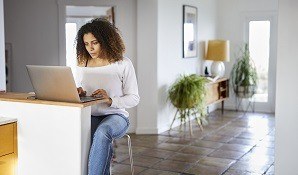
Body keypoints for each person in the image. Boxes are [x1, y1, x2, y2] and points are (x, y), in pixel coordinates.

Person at [75, 18, 140, 175]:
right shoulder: (82, 64)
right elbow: (80, 90)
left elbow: (134, 98)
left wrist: (110, 100)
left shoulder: (122, 63)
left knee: (103, 131)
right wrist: (79, 93)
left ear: (105, 40)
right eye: (86, 43)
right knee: (78, 137)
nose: (90, 48)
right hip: (89, 115)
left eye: (94, 42)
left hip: (116, 116)